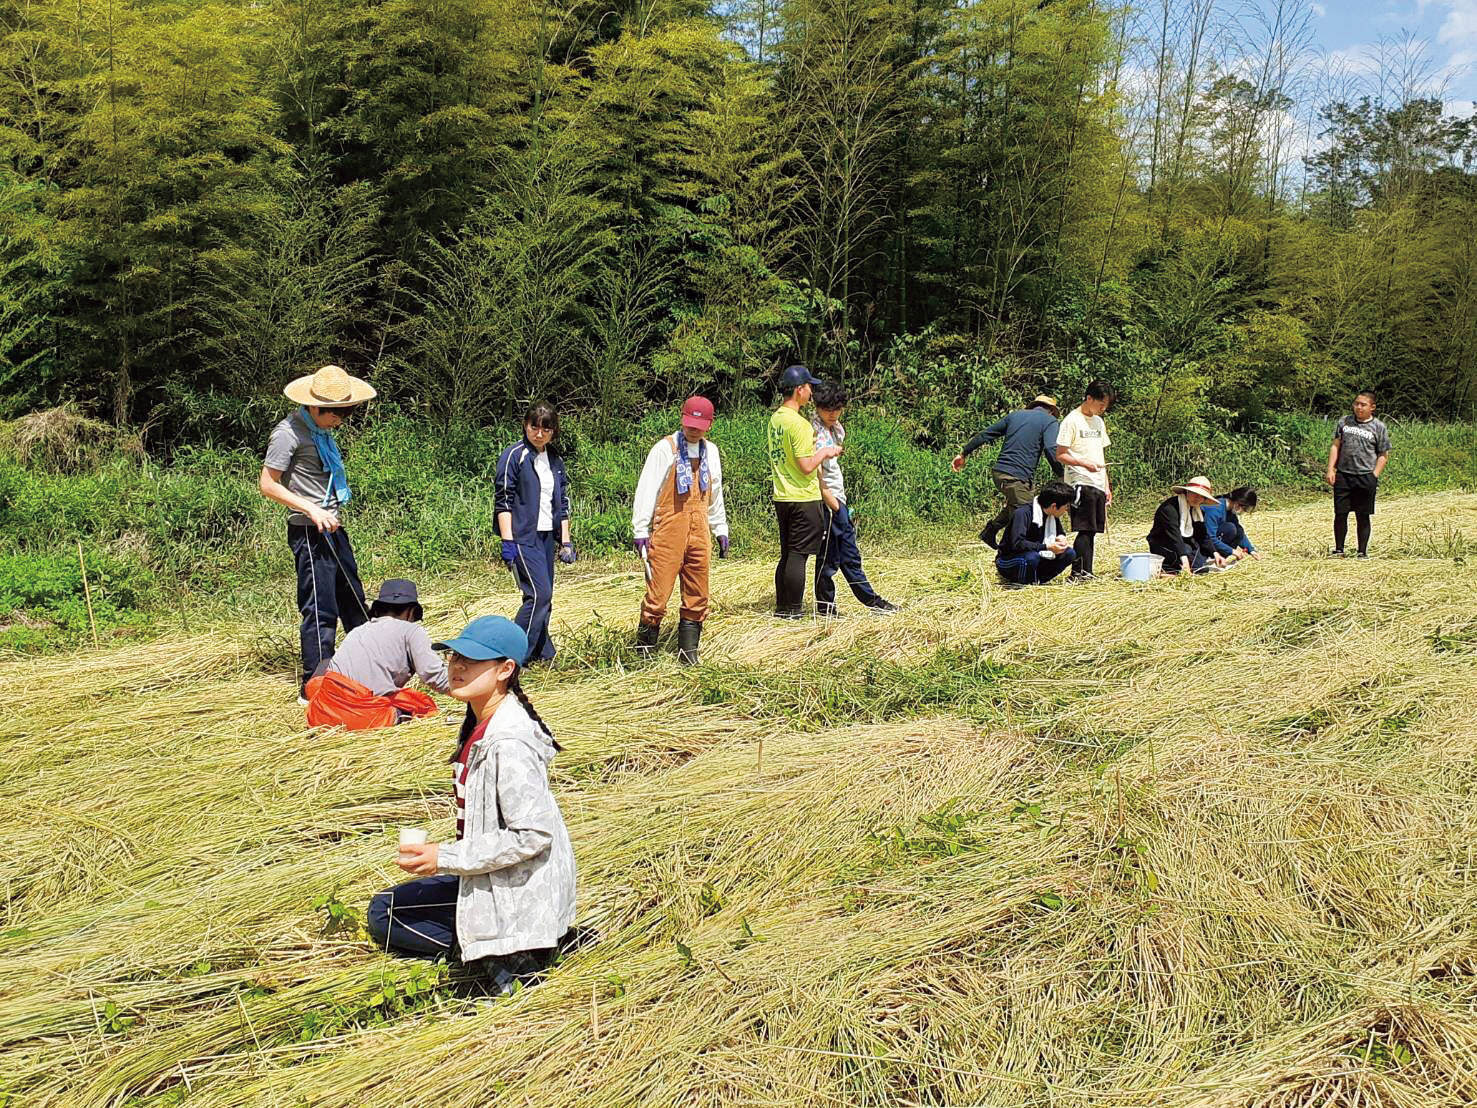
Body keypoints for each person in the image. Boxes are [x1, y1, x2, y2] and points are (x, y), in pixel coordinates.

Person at [367, 616, 576, 997]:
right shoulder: (483, 720)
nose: (457, 667)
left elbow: (533, 834)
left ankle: (508, 958)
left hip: (520, 890)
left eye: (472, 660)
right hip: (502, 876)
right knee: (389, 905)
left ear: (505, 669)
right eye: (454, 657)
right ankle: (510, 949)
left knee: (386, 915)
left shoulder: (507, 742)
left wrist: (443, 857)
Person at [259, 364, 376, 702]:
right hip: (309, 532)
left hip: (333, 528)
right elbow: (267, 484)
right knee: (320, 608)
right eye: (335, 415)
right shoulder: (288, 433)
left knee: (354, 602)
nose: (340, 421)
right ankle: (315, 687)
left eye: (344, 414)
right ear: (314, 407)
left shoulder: (321, 433)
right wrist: (310, 508)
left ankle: (369, 667)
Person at [632, 396, 730, 664]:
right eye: (689, 423)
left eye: (699, 424)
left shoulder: (712, 452)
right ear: (681, 418)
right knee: (658, 595)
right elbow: (647, 489)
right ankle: (645, 656)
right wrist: (640, 529)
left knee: (698, 593)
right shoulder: (666, 449)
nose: (693, 429)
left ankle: (688, 656)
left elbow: (715, 492)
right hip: (668, 529)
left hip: (700, 531)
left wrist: (719, 526)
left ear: (709, 424)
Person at [304, 580, 449, 730]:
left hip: (321, 716)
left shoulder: (357, 631)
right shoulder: (411, 630)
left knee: (326, 664)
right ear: (412, 612)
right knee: (421, 705)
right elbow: (435, 676)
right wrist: (470, 693)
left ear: (378, 610)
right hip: (365, 719)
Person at [496, 403, 575, 663]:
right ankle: (514, 656)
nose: (539, 433)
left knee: (545, 597)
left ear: (553, 431)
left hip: (545, 538)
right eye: (534, 426)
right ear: (525, 425)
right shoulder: (514, 455)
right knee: (539, 595)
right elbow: (503, 501)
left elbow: (562, 503)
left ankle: (543, 651)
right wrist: (508, 541)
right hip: (522, 537)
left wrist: (565, 541)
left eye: (546, 428)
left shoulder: (554, 460)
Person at [812, 380, 898, 617]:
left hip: (839, 499)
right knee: (829, 560)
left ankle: (871, 601)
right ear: (817, 406)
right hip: (829, 501)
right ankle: (826, 608)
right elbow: (815, 471)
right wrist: (832, 503)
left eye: (837, 409)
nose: (833, 414)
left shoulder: (835, 428)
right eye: (828, 409)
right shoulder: (814, 431)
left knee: (848, 554)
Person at [767, 365, 842, 619]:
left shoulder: (776, 419)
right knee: (799, 556)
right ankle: (794, 611)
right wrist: (826, 452)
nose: (811, 392)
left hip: (782, 496)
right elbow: (807, 465)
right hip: (803, 497)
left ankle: (782, 607)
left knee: (787, 554)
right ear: (799, 390)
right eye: (809, 387)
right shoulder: (799, 425)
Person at [951, 395, 1062, 549]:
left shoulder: (1015, 416)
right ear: (1051, 411)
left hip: (1000, 473)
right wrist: (1061, 473)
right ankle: (1008, 553)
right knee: (1027, 513)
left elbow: (985, 434)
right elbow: (1051, 449)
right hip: (1016, 477)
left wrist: (963, 453)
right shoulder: (1050, 421)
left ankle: (991, 531)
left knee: (1016, 506)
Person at [1054, 380, 1115, 579]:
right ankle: (1079, 573)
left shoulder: (1099, 422)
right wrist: (1083, 463)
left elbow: (1100, 456)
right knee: (1085, 528)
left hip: (1097, 480)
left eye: (1106, 405)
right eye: (1100, 404)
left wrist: (1106, 485)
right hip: (1079, 480)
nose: (1103, 408)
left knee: (1094, 529)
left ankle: (1086, 571)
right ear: (1089, 398)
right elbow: (1060, 454)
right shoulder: (1071, 421)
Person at [1326, 391, 1391, 558]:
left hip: (1365, 476)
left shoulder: (1379, 427)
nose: (1359, 407)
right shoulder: (1344, 422)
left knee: (1363, 515)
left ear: (1372, 407)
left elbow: (1383, 455)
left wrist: (1374, 475)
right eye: (1356, 403)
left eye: (1363, 404)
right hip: (1344, 475)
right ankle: (1339, 549)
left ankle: (1362, 551)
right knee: (1340, 514)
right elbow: (1335, 446)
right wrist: (1330, 469)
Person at [995, 481, 1077, 586]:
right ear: (1054, 506)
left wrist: (1061, 538)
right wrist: (1047, 547)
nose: (1066, 509)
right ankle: (1023, 583)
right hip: (1010, 559)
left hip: (1037, 556)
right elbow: (1017, 544)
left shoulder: (1051, 515)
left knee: (1069, 553)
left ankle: (1038, 581)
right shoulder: (1023, 513)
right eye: (1066, 506)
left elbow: (1060, 532)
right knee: (1032, 557)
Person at [1146, 476, 1227, 575]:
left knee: (1201, 569)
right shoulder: (1169, 508)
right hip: (1163, 542)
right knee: (1187, 554)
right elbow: (1174, 535)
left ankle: (1182, 564)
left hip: (1185, 543)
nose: (1197, 498)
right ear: (1186, 492)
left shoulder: (1197, 511)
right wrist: (1184, 561)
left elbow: (1202, 535)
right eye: (1194, 493)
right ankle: (1167, 570)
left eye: (1201, 495)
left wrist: (1215, 554)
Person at [1201, 486, 1261, 564]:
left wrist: (1251, 550)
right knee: (1230, 528)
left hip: (1212, 538)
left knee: (1235, 528)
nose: (1244, 511)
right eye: (1245, 509)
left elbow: (1240, 532)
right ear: (1239, 504)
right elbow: (1210, 537)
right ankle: (1211, 557)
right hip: (1201, 541)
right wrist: (1232, 551)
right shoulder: (1215, 509)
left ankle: (1220, 558)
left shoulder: (1230, 511)